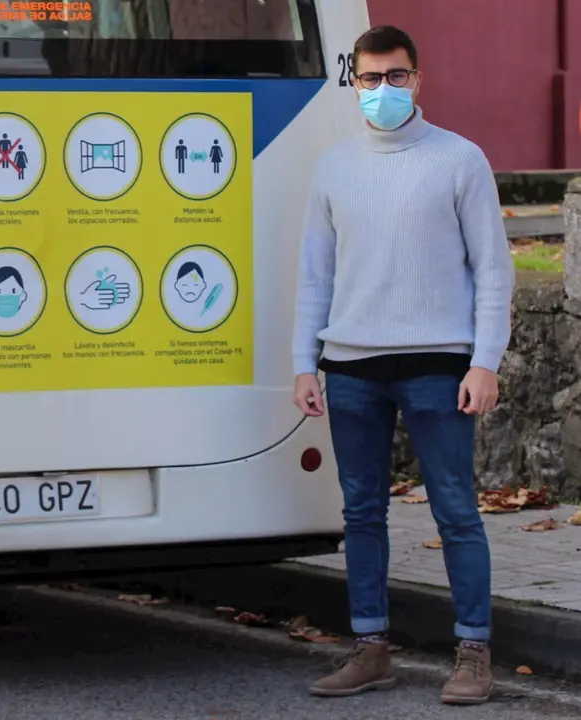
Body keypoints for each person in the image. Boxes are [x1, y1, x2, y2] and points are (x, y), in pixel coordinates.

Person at [291, 26, 513, 706]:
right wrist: (304, 362)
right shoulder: (332, 166)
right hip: (351, 366)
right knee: (360, 512)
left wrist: (484, 363)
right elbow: (313, 276)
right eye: (368, 78)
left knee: (454, 511)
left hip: (437, 368)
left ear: (417, 79)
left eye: (395, 77)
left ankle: (473, 654)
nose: (381, 90)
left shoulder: (459, 160)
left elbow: (493, 271)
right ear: (351, 82)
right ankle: (370, 650)